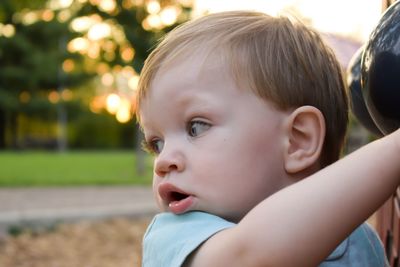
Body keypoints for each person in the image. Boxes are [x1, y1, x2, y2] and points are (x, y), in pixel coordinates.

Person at [136, 11, 396, 267]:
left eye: (195, 127)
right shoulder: (177, 238)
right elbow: (251, 256)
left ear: (297, 140)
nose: (163, 161)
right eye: (156, 144)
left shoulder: (359, 241)